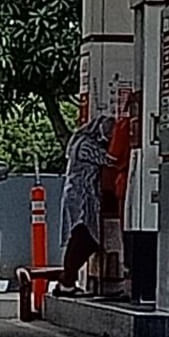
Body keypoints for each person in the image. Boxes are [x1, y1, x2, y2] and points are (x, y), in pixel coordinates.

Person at [54, 114, 116, 296]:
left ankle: (67, 280)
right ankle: (67, 280)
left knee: (80, 236)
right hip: (82, 196)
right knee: (85, 236)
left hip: (79, 194)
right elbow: (109, 160)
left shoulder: (78, 141)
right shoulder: (86, 145)